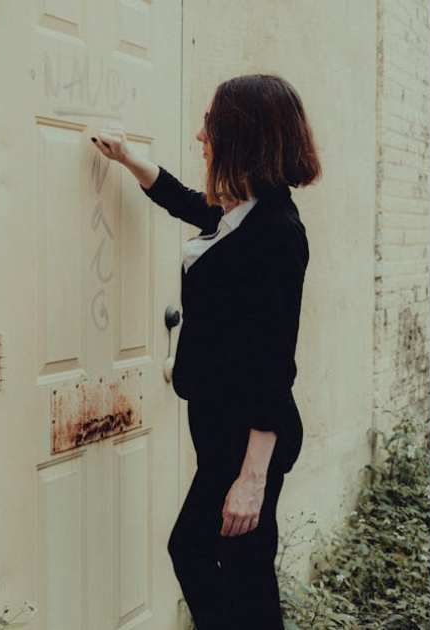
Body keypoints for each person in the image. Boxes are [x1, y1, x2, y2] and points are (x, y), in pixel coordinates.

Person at [92, 73, 319, 629]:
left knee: (205, 557)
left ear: (244, 137)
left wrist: (252, 478)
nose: (200, 136)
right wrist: (128, 160)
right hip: (223, 429)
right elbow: (189, 203)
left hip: (248, 438)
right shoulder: (243, 213)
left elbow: (274, 362)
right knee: (237, 570)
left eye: (210, 126)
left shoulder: (276, 232)